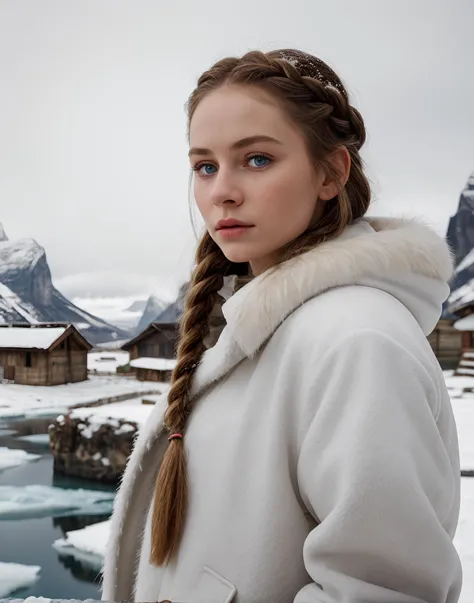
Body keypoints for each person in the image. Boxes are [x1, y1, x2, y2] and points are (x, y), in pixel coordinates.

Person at [102, 49, 462, 603]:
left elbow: (383, 590)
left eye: (258, 160)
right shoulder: (250, 327)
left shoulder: (356, 341)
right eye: (205, 166)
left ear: (331, 172)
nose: (221, 189)